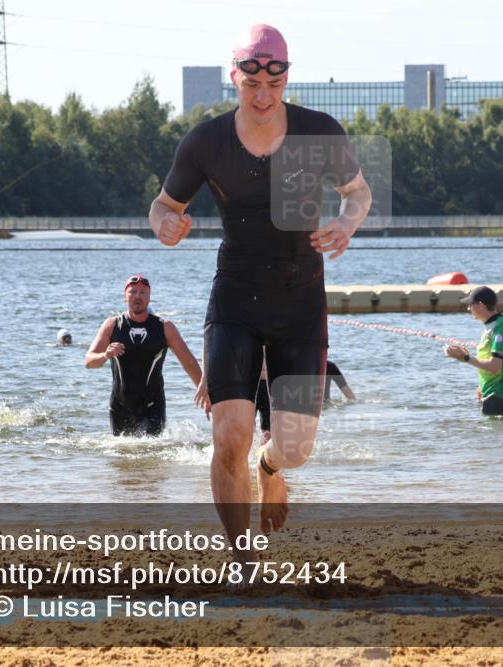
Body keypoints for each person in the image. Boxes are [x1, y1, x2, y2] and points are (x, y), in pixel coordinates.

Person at [149, 24, 372, 548]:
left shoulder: (317, 133)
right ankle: (240, 556)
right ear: (235, 78)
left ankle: (270, 472)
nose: (263, 94)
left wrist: (346, 222)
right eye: (252, 83)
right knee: (229, 437)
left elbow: (357, 193)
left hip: (300, 305)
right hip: (235, 301)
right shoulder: (206, 141)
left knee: (295, 448)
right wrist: (165, 225)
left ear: (287, 78)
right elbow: (164, 205)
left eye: (274, 82)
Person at [85, 275, 209, 436]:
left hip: (153, 406)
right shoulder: (112, 325)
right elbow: (89, 361)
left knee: (152, 453)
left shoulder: (165, 328)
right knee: (120, 456)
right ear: (125, 296)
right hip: (120, 406)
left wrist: (206, 392)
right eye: (133, 292)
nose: (138, 296)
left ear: (149, 297)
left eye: (143, 292)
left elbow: (189, 363)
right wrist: (105, 355)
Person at [444, 286, 503, 416]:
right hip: (495, 394)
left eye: (470, 305)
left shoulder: (500, 326)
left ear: (481, 305)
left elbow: (494, 366)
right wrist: (482, 386)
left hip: (501, 396)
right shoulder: (492, 325)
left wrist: (465, 358)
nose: (468, 309)